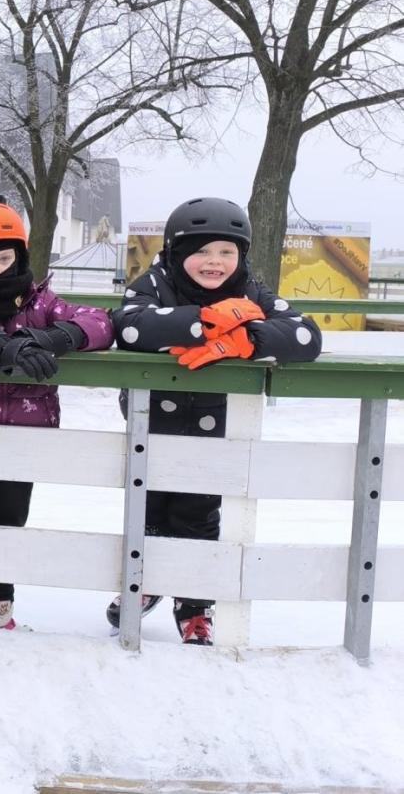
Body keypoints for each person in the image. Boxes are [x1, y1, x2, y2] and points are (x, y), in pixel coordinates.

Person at [110, 196, 322, 645]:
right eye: (201, 251)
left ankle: (195, 604)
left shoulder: (252, 291)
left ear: (241, 256)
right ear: (176, 253)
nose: (214, 262)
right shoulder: (154, 282)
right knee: (148, 506)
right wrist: (206, 322)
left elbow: (305, 335)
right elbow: (128, 326)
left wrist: (248, 336)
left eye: (227, 251)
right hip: (154, 425)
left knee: (199, 514)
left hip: (214, 426)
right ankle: (144, 579)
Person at [0, 195, 114, 631]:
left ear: (19, 256)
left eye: (3, 257)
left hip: (25, 436)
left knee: (11, 519)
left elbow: (100, 321)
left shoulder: (40, 301)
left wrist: (57, 338)